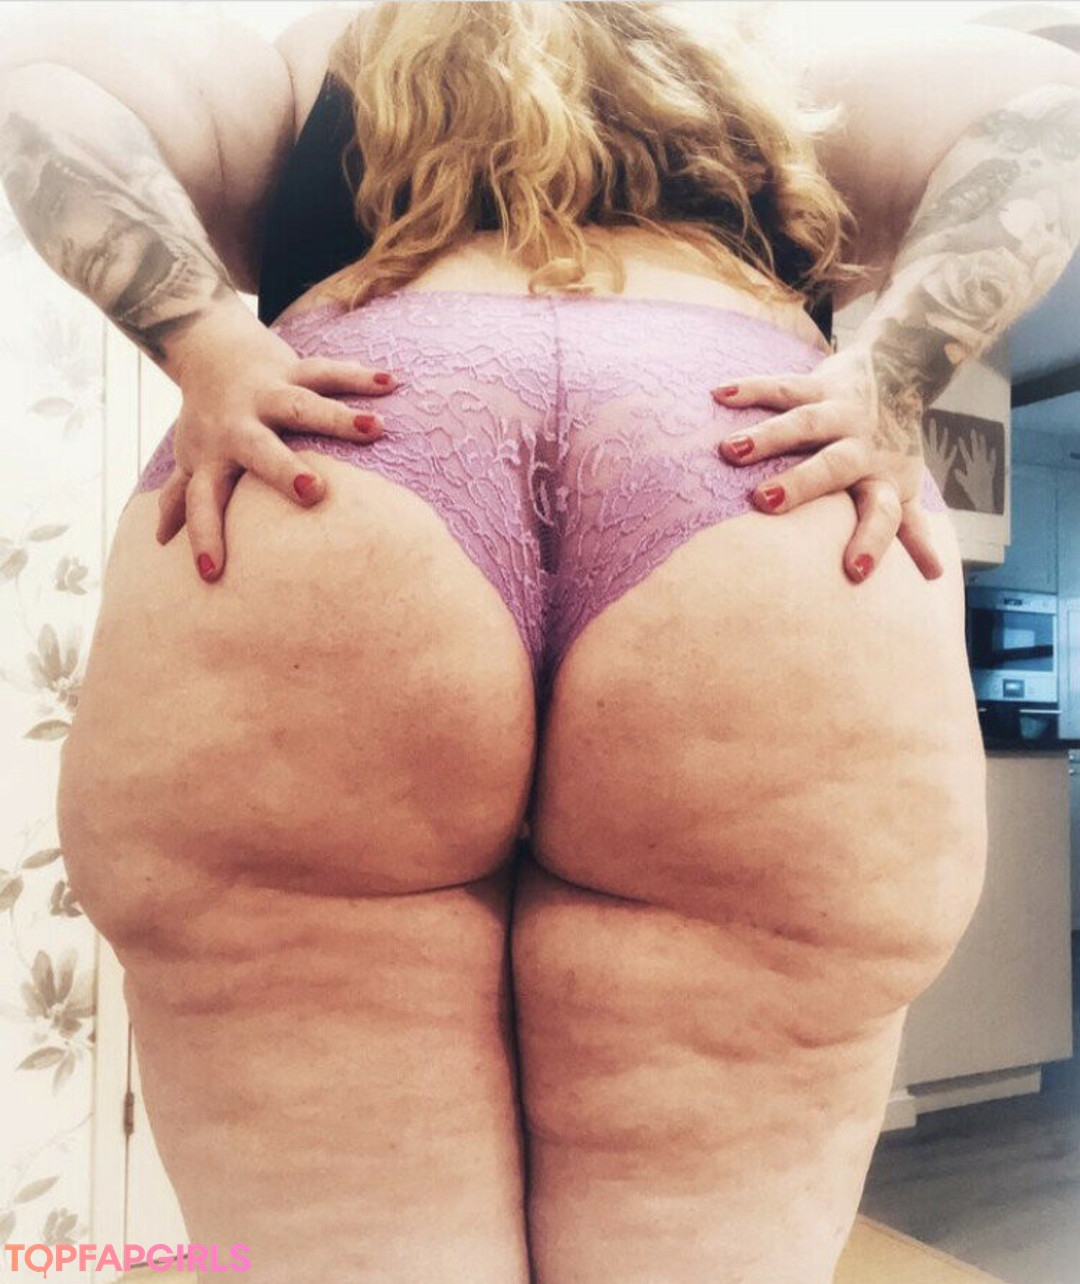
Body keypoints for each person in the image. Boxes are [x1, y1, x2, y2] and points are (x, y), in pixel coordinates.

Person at [1, 1, 1076, 1279]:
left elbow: (47, 94)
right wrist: (896, 373)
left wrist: (205, 339)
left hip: (333, 467)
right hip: (758, 479)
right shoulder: (781, 80)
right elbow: (1051, 119)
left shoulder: (320, 62)